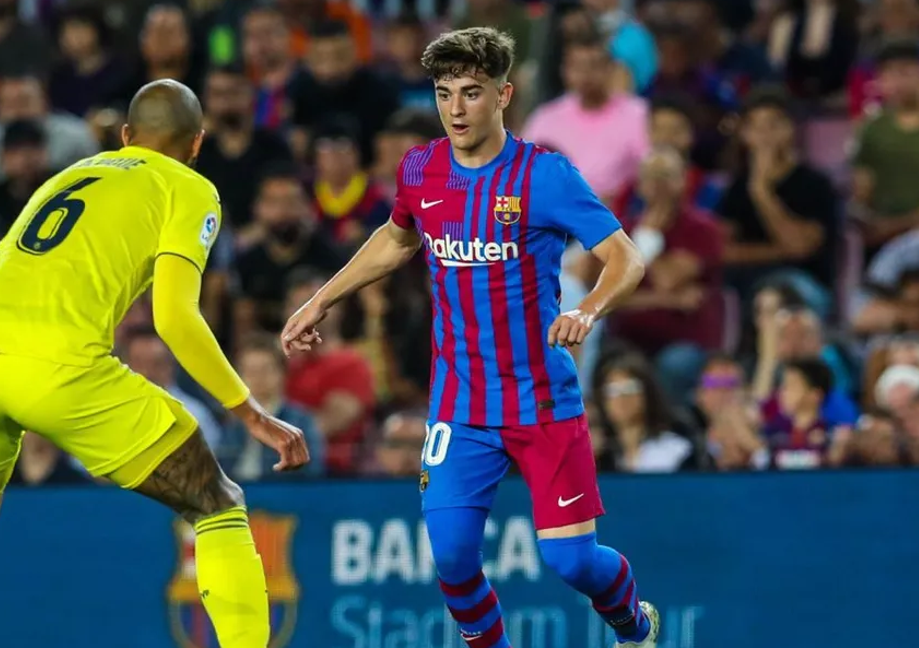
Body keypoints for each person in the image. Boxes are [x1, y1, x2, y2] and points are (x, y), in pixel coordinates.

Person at [281, 27, 659, 648]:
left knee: (572, 563)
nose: (456, 109)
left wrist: (587, 310)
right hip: (460, 408)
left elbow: (626, 258)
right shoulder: (420, 169)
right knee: (453, 560)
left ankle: (634, 627)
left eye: (472, 93)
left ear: (504, 95)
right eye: (444, 93)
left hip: (542, 403)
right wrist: (321, 299)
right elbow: (397, 239)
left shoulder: (546, 177)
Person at [0, 79, 309, 648]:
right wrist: (249, 411)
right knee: (216, 503)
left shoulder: (67, 176)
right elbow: (174, 318)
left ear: (124, 137)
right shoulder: (188, 188)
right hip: (60, 369)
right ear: (196, 144)